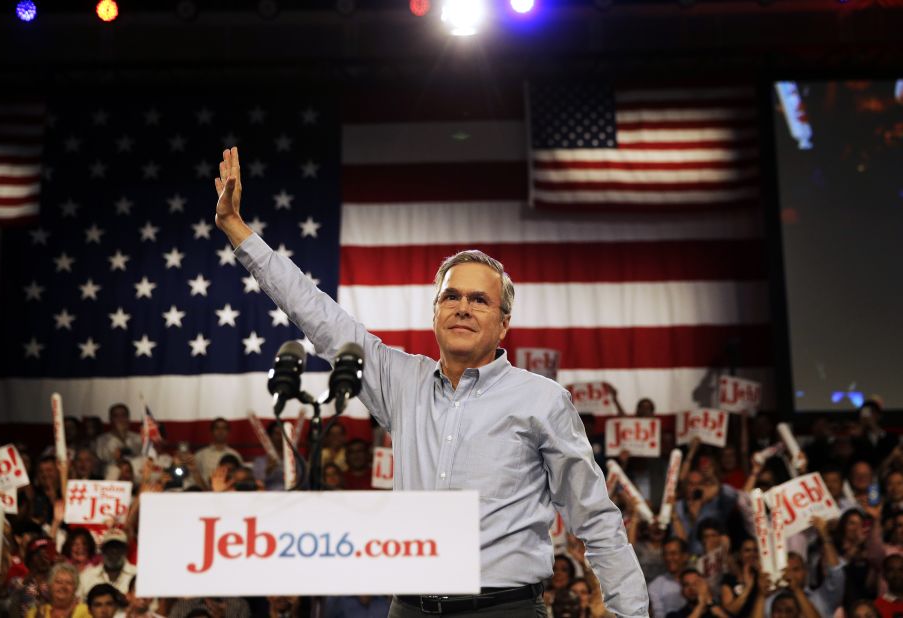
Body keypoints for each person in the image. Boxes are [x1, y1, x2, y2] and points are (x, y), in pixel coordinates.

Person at [213, 147, 648, 617]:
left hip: (504, 609)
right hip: (410, 608)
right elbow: (318, 315)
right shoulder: (400, 381)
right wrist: (238, 230)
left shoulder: (542, 399)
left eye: (480, 300)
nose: (463, 306)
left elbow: (596, 519)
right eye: (452, 296)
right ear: (435, 312)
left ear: (503, 324)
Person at [79, 530, 136, 600]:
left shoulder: (138, 575)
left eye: (118, 547)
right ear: (102, 550)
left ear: (126, 550)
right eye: (110, 547)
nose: (114, 551)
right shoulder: (87, 576)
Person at [26, 562, 91, 618]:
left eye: (69, 583)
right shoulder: (37, 612)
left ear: (75, 588)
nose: (63, 586)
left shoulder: (87, 611)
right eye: (58, 582)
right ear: (50, 586)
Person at [649, 538, 690, 618]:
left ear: (685, 556)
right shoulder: (655, 586)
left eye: (673, 553)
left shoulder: (698, 579)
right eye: (665, 554)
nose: (668, 558)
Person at [193, 418, 242, 484]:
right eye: (217, 428)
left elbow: (240, 478)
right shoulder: (200, 455)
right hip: (205, 492)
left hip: (229, 493)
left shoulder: (235, 455)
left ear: (228, 432)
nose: (220, 431)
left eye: (224, 428)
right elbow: (194, 477)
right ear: (211, 431)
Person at [94, 404, 142, 469]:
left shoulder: (138, 438)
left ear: (128, 418)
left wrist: (123, 437)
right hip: (111, 475)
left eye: (123, 415)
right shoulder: (101, 440)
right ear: (110, 419)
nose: (120, 419)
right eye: (116, 416)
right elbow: (100, 464)